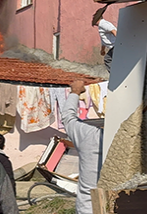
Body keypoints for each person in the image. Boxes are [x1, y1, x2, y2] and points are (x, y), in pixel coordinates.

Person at [61, 80, 103, 214]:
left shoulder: (90, 136)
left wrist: (75, 92)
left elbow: (68, 118)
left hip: (87, 209)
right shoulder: (134, 140)